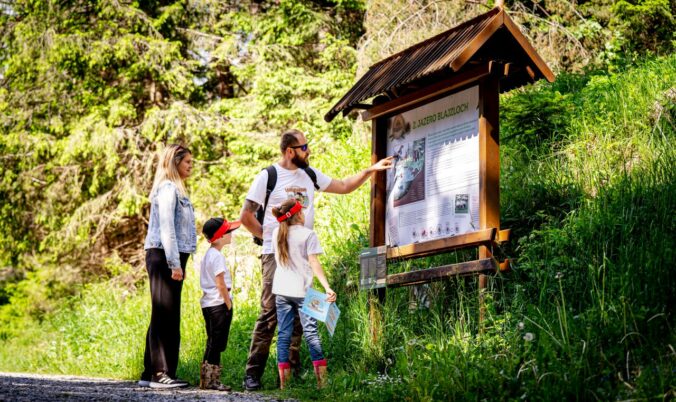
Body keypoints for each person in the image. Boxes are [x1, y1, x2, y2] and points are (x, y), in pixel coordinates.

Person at [239, 128, 393, 390]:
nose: (309, 150)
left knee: (300, 315)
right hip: (275, 256)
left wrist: (371, 170)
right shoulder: (269, 176)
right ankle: (252, 374)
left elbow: (343, 186)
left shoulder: (310, 174)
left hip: (302, 255)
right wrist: (269, 240)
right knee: (270, 314)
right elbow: (246, 216)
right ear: (290, 151)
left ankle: (290, 374)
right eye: (304, 147)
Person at [138, 144, 196, 389]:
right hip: (164, 255)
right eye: (187, 162)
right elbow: (167, 229)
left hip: (170, 255)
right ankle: (161, 374)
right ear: (175, 163)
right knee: (165, 314)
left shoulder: (176, 189)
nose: (191, 166)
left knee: (164, 314)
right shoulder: (168, 189)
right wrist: (174, 263)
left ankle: (150, 371)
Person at [271, 199, 336, 389]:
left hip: (281, 291)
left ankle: (284, 385)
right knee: (311, 333)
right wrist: (327, 287)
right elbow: (314, 262)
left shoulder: (277, 233)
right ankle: (322, 383)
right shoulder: (308, 234)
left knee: (283, 334)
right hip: (303, 291)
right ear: (299, 214)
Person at [198, 217, 241, 391]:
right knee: (217, 343)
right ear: (219, 237)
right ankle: (212, 381)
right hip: (218, 305)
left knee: (212, 342)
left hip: (208, 304)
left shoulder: (209, 254)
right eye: (228, 232)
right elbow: (220, 283)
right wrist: (228, 303)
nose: (231, 234)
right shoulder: (216, 257)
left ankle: (206, 380)